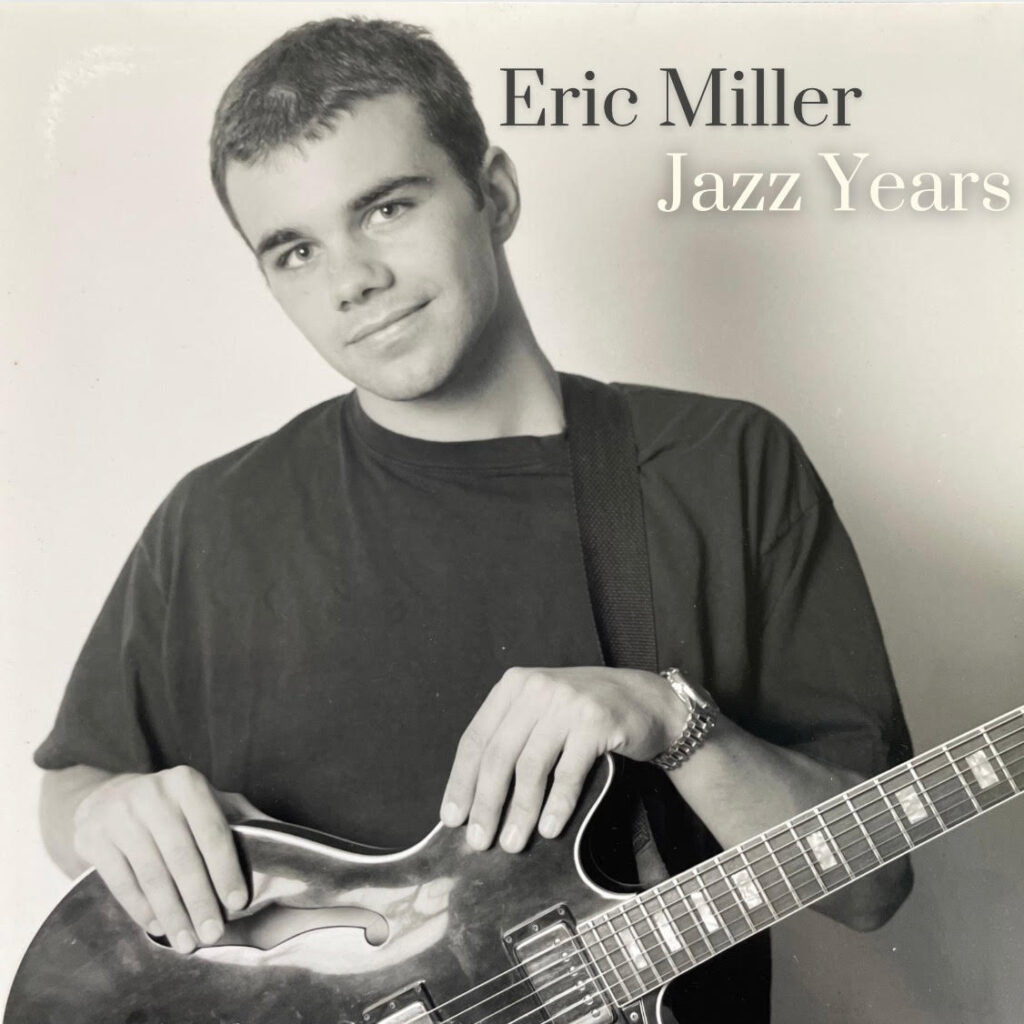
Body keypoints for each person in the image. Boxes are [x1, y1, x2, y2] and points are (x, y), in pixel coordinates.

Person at [34, 16, 912, 1021]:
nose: (351, 281)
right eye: (294, 251)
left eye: (386, 208)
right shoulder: (212, 522)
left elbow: (871, 885)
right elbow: (74, 785)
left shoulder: (721, 464)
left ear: (494, 194)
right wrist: (105, 810)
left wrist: (674, 722)